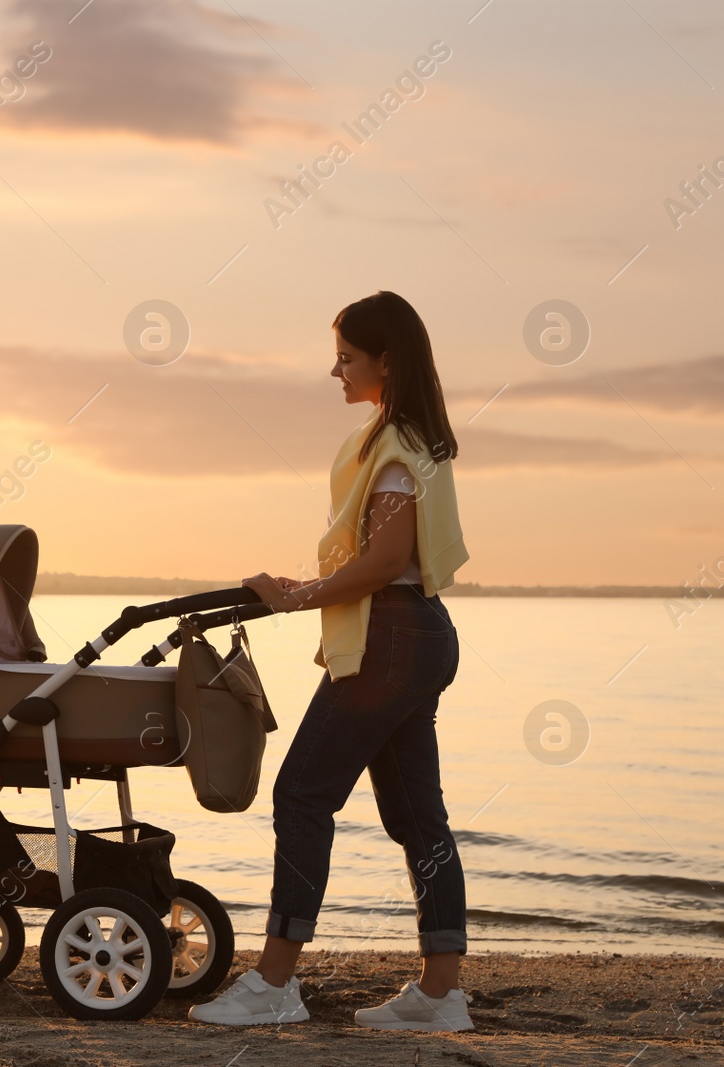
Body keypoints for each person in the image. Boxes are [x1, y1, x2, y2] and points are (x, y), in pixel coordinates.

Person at [190, 291, 473, 1032]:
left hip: (392, 639)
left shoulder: (395, 449)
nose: (336, 369)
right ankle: (441, 995)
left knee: (302, 793)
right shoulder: (406, 437)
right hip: (416, 635)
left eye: (347, 357)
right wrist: (301, 590)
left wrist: (295, 595)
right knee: (418, 816)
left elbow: (384, 561)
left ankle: (276, 982)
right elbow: (382, 562)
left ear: (387, 360)